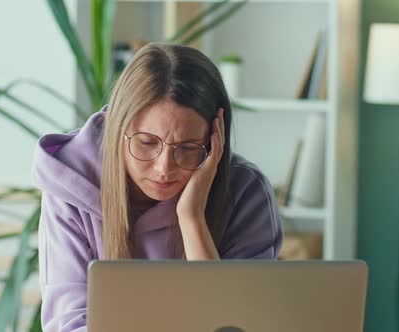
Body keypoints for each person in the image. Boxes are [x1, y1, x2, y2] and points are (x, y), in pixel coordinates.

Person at [32, 42, 283, 331]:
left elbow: (237, 326)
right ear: (117, 129)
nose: (164, 168)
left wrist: (191, 218)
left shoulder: (246, 194)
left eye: (188, 147)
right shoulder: (70, 185)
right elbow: (68, 324)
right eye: (147, 142)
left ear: (216, 139)